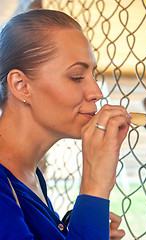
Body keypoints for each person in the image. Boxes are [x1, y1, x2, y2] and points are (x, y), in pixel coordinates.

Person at [0, 9, 130, 239]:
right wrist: (94, 185)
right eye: (77, 77)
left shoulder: (28, 176)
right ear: (21, 85)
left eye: (93, 75)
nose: (97, 93)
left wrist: (86, 226)